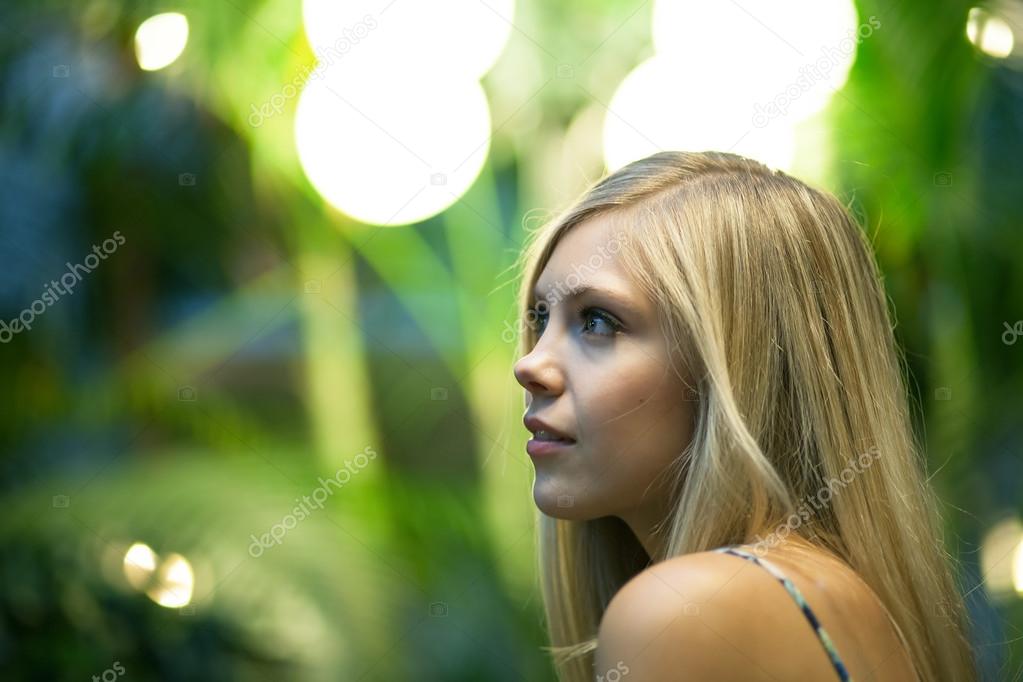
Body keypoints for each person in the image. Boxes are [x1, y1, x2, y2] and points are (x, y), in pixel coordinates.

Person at [512, 151, 976, 681]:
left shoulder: (687, 613)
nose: (530, 364)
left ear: (736, 364)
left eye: (598, 320)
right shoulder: (844, 602)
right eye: (541, 317)